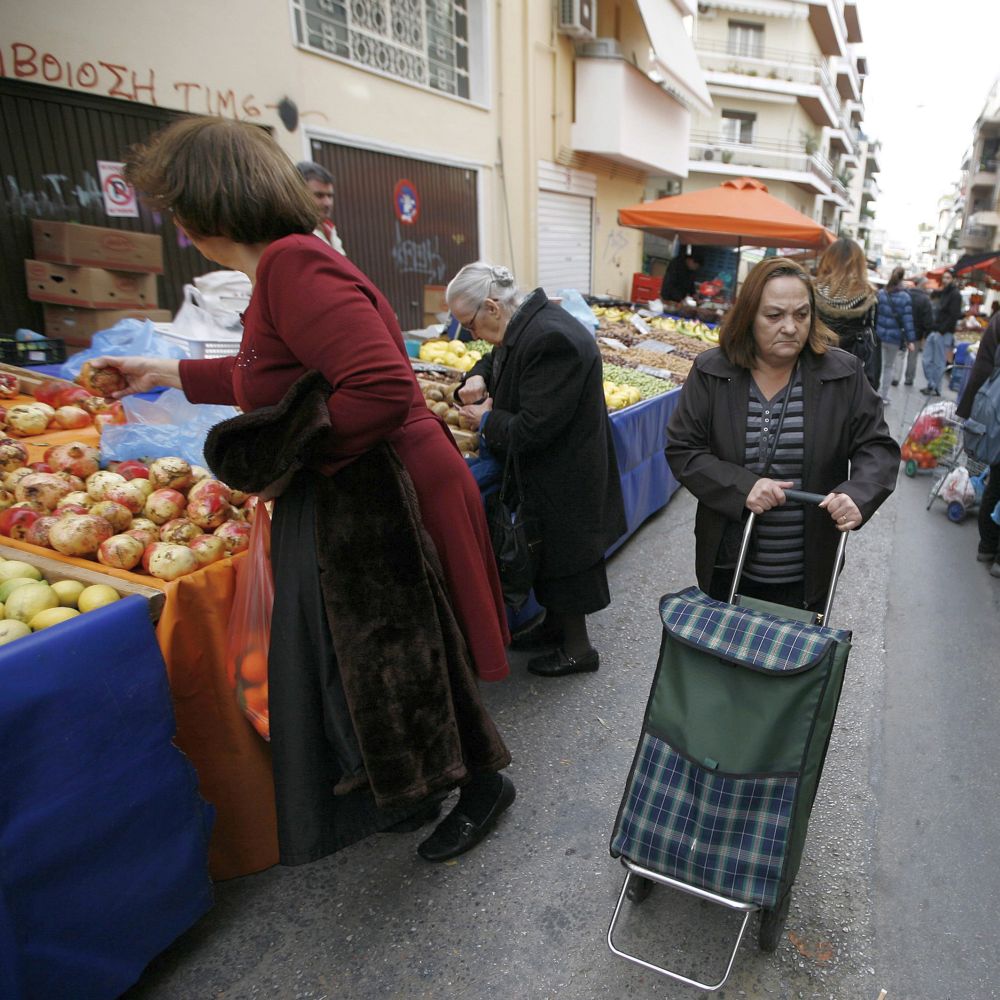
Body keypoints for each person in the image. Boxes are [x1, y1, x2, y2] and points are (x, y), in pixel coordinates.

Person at [94, 117, 515, 866]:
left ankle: (483, 786)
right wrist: (168, 376)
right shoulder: (286, 268)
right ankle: (428, 777)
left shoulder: (295, 269)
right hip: (378, 481)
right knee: (405, 649)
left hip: (395, 485)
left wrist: (293, 459)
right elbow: (270, 374)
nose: (174, 225)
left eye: (172, 208)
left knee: (421, 649)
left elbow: (381, 388)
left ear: (199, 211)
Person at [666, 257, 900, 612]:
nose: (790, 327)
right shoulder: (713, 371)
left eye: (802, 315)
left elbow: (876, 446)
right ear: (749, 316)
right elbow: (684, 449)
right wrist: (743, 486)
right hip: (728, 560)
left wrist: (859, 494)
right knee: (725, 660)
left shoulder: (842, 373)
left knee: (791, 663)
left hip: (808, 568)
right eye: (774, 316)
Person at [447, 262, 627, 677]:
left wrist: (486, 421)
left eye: (469, 324)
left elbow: (534, 428)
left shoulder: (551, 338)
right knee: (546, 555)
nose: (471, 335)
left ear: (492, 307)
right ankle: (554, 629)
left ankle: (579, 651)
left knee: (565, 561)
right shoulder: (525, 323)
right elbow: (499, 359)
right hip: (550, 472)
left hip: (566, 474)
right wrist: (477, 378)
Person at [956, 309, 1000, 577]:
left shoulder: (996, 321)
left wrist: (966, 409)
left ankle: (986, 546)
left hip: (994, 411)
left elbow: (981, 366)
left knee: (995, 481)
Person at [813, 237, 879, 389]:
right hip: (852, 376)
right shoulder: (869, 297)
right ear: (860, 264)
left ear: (827, 259)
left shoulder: (811, 291)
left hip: (814, 369)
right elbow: (873, 341)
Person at [875, 267, 916, 403]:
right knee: (888, 366)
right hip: (894, 338)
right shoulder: (905, 297)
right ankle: (883, 395)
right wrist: (910, 340)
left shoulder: (881, 293)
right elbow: (907, 320)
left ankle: (873, 392)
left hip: (880, 335)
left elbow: (875, 315)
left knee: (878, 365)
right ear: (902, 278)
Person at [922, 269, 962, 395]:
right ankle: (931, 384)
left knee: (938, 361)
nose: (945, 279)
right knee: (927, 359)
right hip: (936, 330)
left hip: (944, 333)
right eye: (944, 277)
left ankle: (935, 387)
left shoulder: (955, 294)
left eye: (948, 277)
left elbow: (953, 316)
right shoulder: (944, 292)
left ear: (953, 279)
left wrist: (942, 331)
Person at [295, 160, 346, 255]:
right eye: (319, 195)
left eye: (330, 196)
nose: (327, 203)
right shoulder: (296, 238)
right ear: (298, 195)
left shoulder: (329, 229)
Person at [904, 276, 934, 386]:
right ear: (923, 285)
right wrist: (926, 334)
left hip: (903, 330)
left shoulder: (907, 294)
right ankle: (909, 378)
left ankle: (896, 377)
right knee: (912, 357)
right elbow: (928, 320)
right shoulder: (925, 299)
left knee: (900, 354)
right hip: (917, 333)